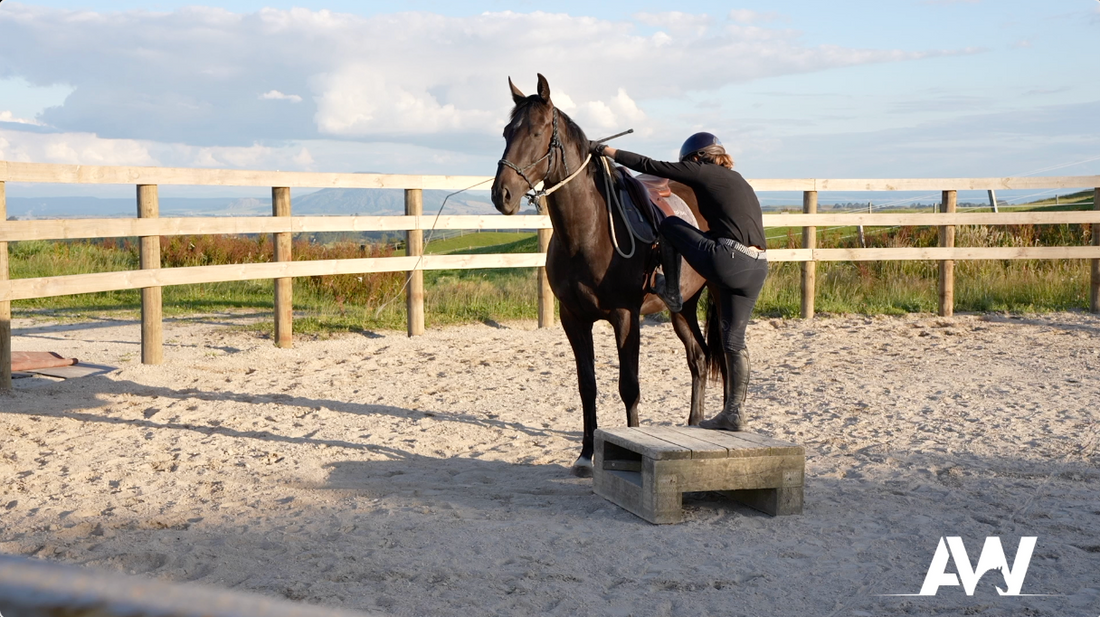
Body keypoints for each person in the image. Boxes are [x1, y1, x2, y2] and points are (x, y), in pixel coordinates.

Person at [591, 133, 768, 431]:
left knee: (671, 223)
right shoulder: (737, 180)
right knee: (734, 342)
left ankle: (672, 291)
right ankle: (734, 413)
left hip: (727, 260)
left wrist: (606, 150)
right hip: (757, 267)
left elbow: (650, 165)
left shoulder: (701, 170)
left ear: (697, 158)